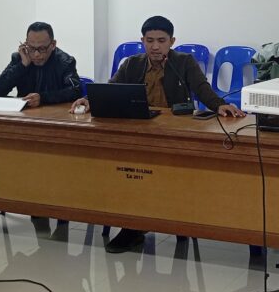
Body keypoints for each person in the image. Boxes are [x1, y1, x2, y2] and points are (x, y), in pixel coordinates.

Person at [70, 15, 244, 253]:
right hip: (138, 131)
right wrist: (89, 100)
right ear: (142, 40)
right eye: (149, 40)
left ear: (172, 41)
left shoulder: (183, 62)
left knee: (153, 173)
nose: (155, 46)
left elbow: (202, 88)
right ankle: (132, 225)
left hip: (173, 133)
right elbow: (111, 88)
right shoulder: (132, 64)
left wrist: (219, 105)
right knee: (126, 171)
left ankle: (153, 221)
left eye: (161, 41)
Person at [0, 21, 81, 107]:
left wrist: (43, 98)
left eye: (42, 49)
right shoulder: (20, 58)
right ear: (26, 43)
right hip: (24, 114)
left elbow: (75, 91)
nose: (36, 54)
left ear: (53, 44)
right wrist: (22, 66)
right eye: (31, 48)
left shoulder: (65, 61)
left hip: (53, 113)